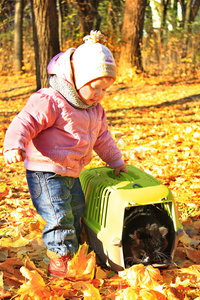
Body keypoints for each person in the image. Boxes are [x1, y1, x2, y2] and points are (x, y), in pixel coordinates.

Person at [3, 30, 128, 277]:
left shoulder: (94, 110)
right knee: (60, 215)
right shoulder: (51, 100)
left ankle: (78, 250)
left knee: (77, 210)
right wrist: (14, 144)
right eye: (95, 87)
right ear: (77, 79)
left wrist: (115, 160)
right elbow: (25, 121)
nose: (99, 95)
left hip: (71, 171)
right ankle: (61, 261)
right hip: (46, 171)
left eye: (105, 90)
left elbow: (103, 138)